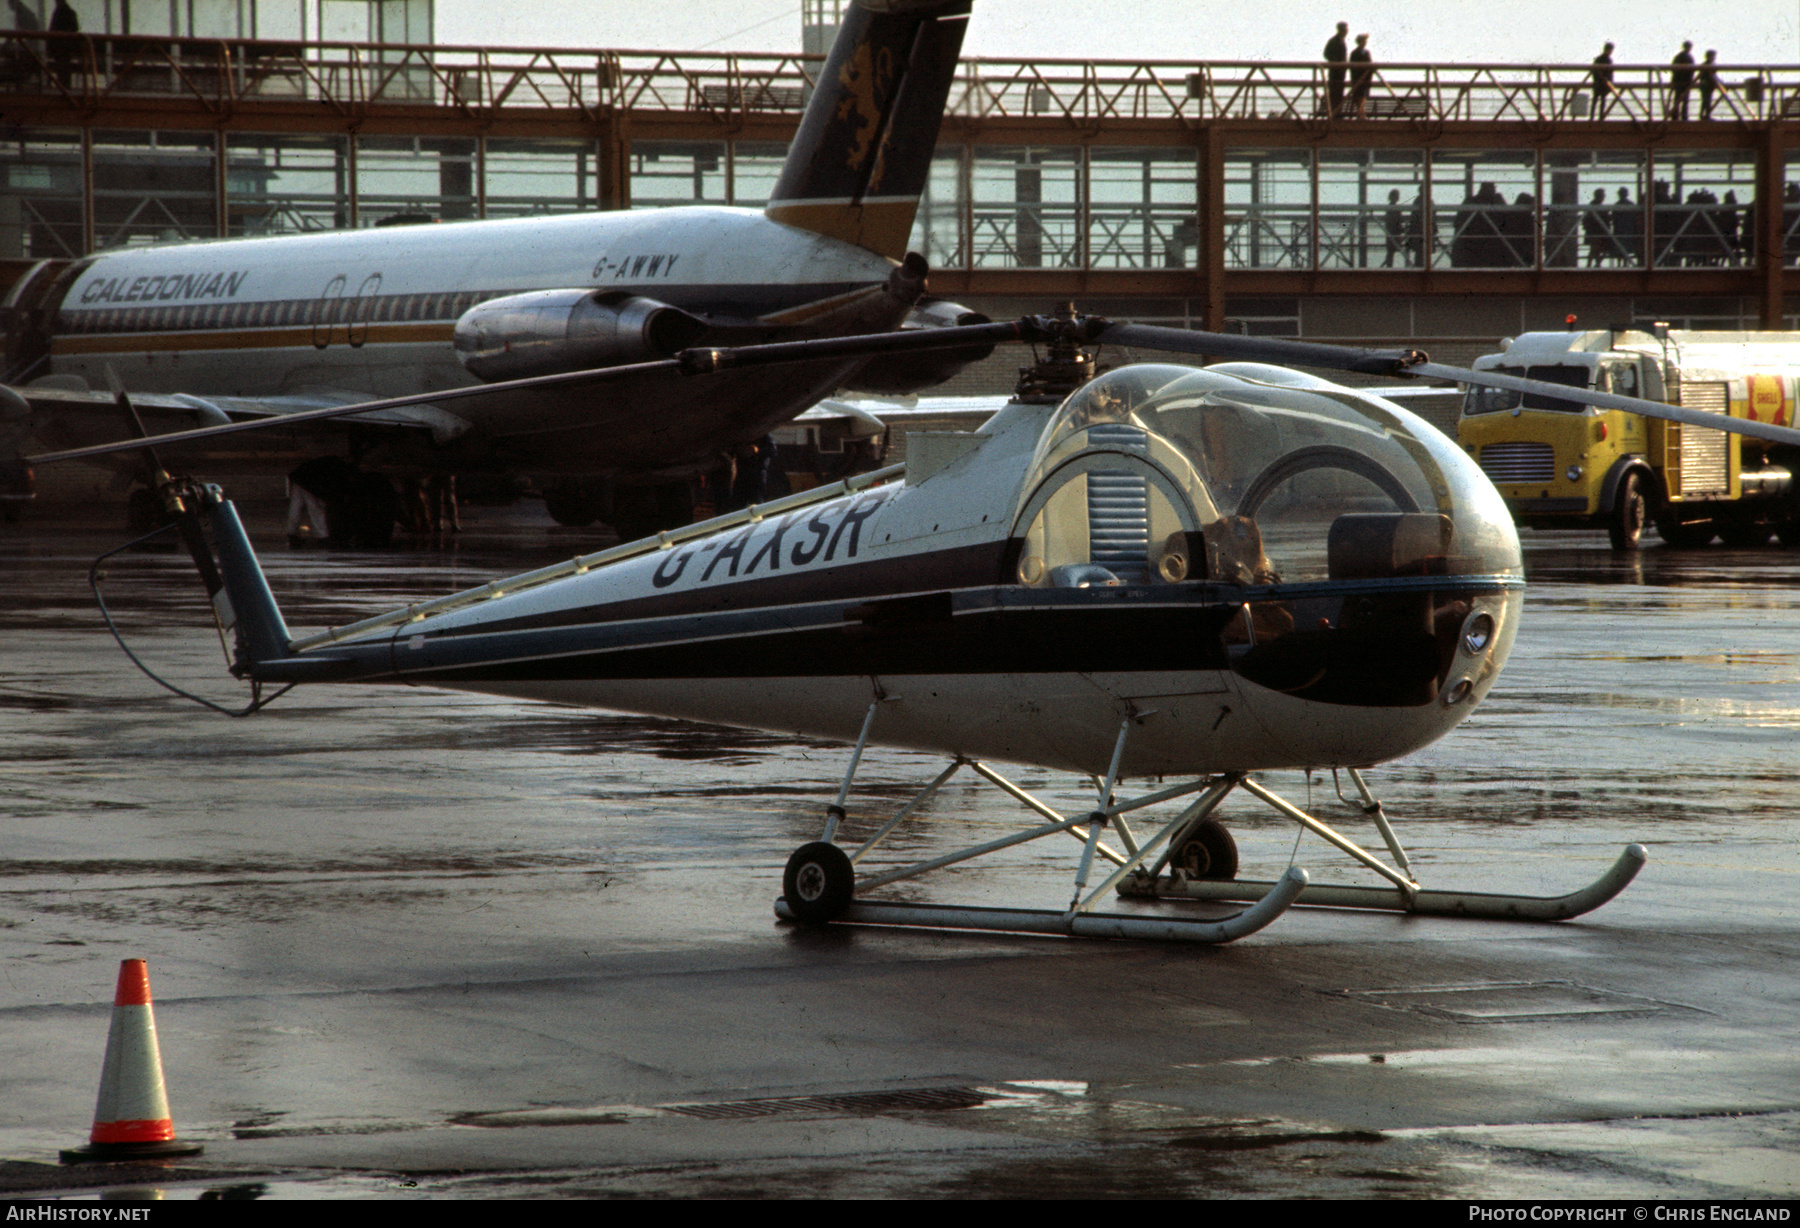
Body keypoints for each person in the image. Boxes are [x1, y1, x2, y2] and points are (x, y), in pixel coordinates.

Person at [47, 0, 75, 89]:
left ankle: (63, 87)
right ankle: (65, 87)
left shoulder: (59, 12)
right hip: (66, 48)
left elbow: (52, 30)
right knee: (65, 70)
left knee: (62, 69)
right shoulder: (69, 12)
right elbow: (74, 29)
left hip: (60, 47)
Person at [1323, 21, 1348, 119]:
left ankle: (1337, 112)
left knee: (1339, 93)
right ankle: (1334, 113)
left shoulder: (1342, 41)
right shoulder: (1333, 41)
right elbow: (1326, 53)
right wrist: (1335, 62)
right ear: (1340, 30)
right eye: (1345, 29)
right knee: (1334, 93)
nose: (1346, 31)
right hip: (1334, 72)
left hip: (1341, 72)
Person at [1348, 33, 1374, 119]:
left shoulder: (1367, 52)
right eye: (1364, 41)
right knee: (1359, 97)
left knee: (1364, 97)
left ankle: (1362, 113)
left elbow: (1370, 64)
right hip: (1358, 79)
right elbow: (1353, 67)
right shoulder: (1354, 53)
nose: (1365, 42)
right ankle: (1360, 115)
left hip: (1366, 80)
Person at [1668, 40, 1694, 120]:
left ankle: (1675, 116)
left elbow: (1673, 68)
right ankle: (1683, 117)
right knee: (1684, 100)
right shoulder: (1688, 58)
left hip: (1679, 81)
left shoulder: (1679, 57)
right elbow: (1692, 70)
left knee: (1678, 99)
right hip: (1684, 82)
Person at [1591, 42, 1616, 119]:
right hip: (1601, 83)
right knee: (1599, 100)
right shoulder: (1606, 60)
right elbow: (1610, 73)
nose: (1610, 52)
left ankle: (1595, 117)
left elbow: (1594, 71)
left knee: (1598, 100)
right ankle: (1599, 117)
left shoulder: (1599, 59)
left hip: (1600, 83)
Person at [1382, 188, 1407, 267]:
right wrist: (1403, 229)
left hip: (1391, 233)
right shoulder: (1395, 208)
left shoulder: (1390, 207)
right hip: (1395, 233)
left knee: (1390, 253)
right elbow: (1396, 221)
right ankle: (1408, 266)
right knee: (1391, 252)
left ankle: (1389, 268)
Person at [1698, 49, 1723, 119]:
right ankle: (1706, 116)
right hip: (1706, 85)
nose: (1714, 58)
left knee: (1705, 101)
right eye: (1713, 56)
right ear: (1710, 56)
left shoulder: (1705, 64)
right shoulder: (1707, 65)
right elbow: (1711, 75)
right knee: (1707, 100)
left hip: (1707, 85)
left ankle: (1703, 115)